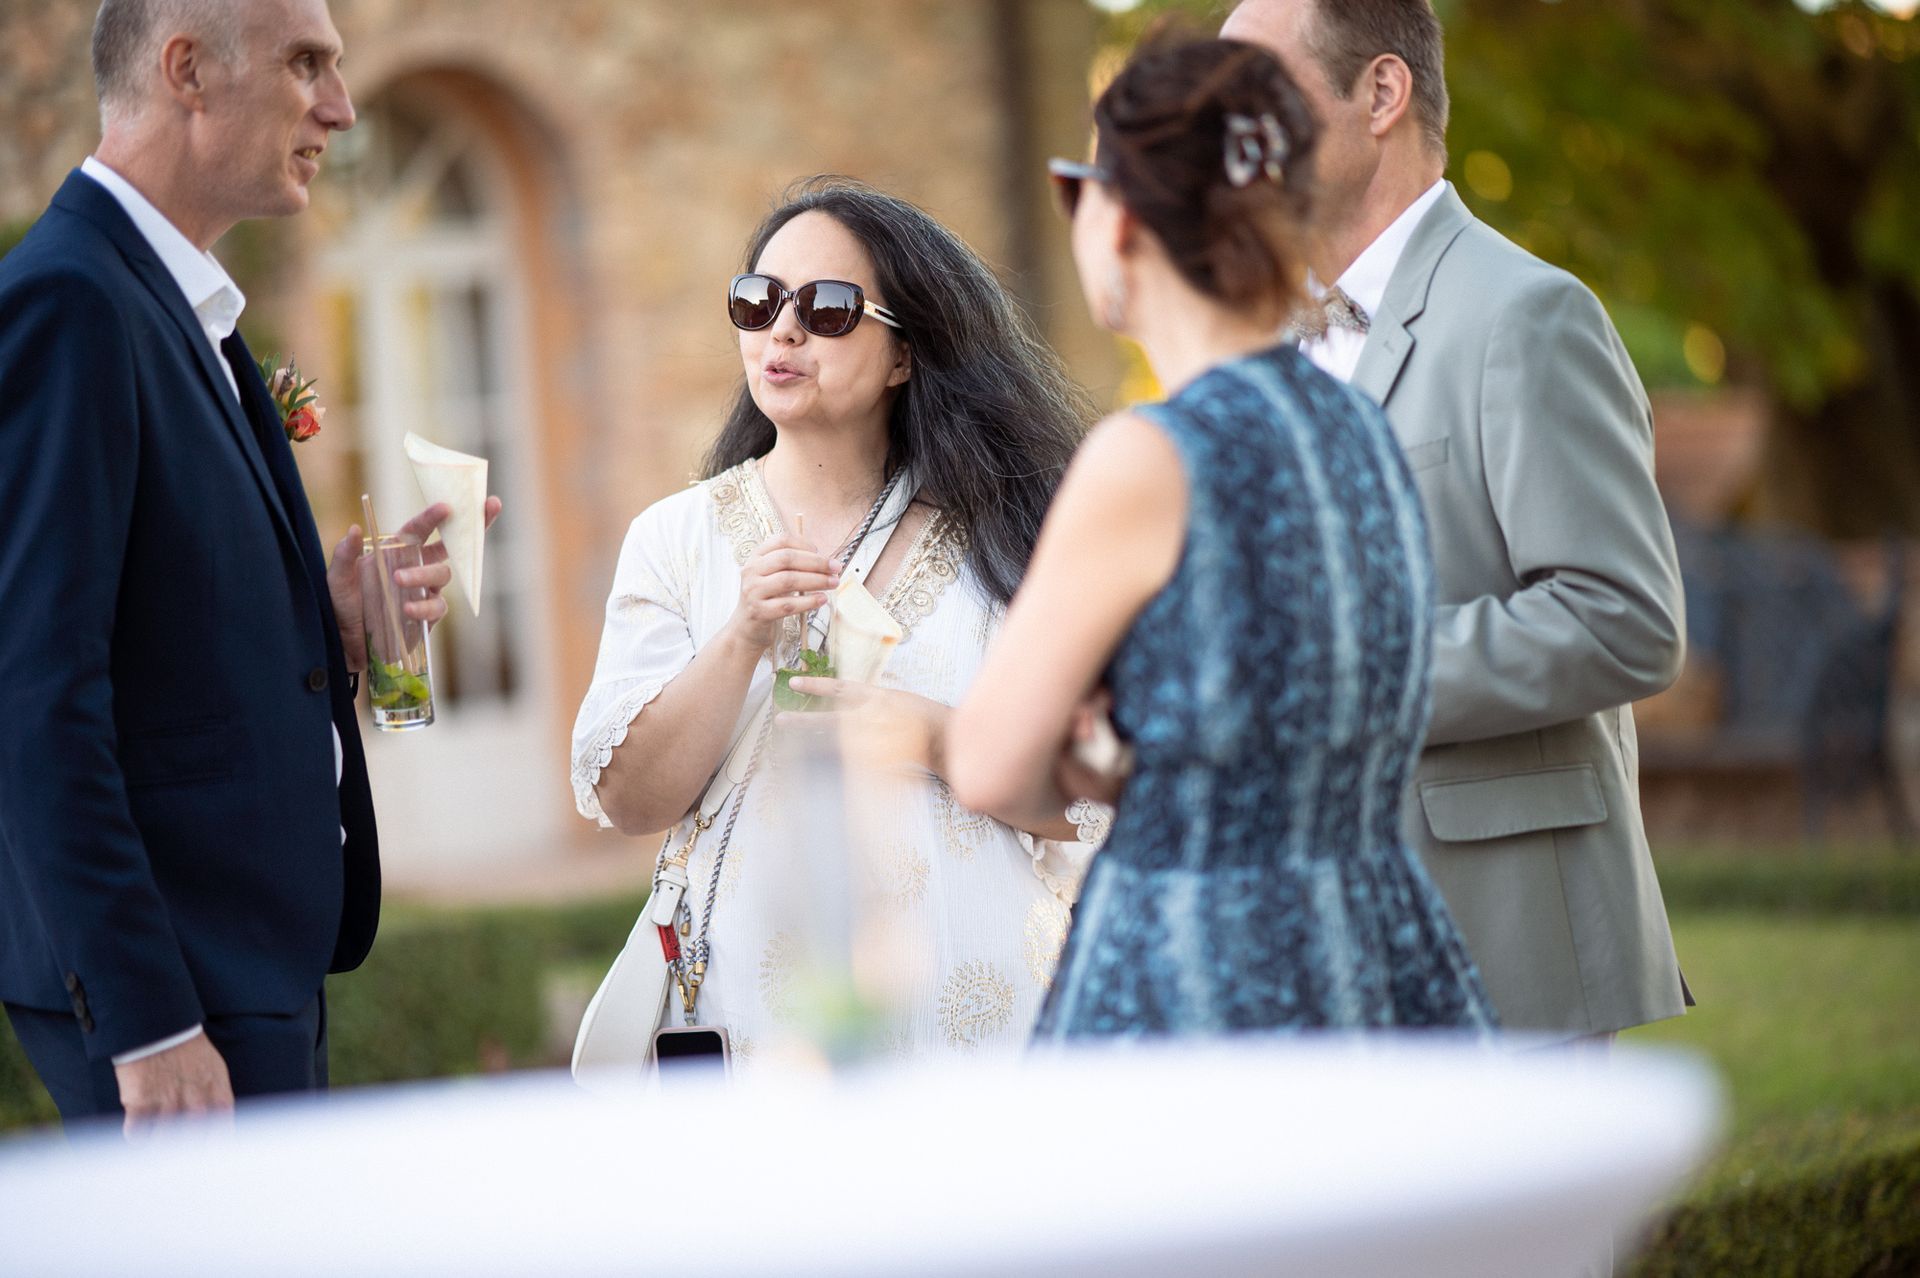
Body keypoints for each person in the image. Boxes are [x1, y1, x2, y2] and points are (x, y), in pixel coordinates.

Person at [0, 0, 499, 1133]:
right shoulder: (72, 304)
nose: (343, 105)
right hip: (178, 983)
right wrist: (148, 1023)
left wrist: (321, 621)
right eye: (307, 64)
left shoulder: (193, 313)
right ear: (187, 71)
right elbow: (35, 693)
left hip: (245, 964)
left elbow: (150, 627)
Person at [949, 36, 1494, 1038]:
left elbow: (987, 765)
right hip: (1378, 947)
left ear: (1121, 220)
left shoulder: (1150, 457)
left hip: (1204, 961)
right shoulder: (1359, 425)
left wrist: (1075, 758)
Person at [1222, 0, 1689, 1041]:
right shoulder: (1251, 342)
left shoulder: (1526, 314)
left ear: (1380, 94)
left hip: (1504, 941)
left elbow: (1624, 620)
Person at [570, 178, 1103, 1063]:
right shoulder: (676, 537)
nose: (782, 330)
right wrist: (741, 633)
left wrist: (934, 738)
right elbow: (630, 800)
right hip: (756, 1039)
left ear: (904, 356)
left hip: (983, 1032)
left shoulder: (1013, 538)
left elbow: (1094, 797)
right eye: (759, 301)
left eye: (826, 309)